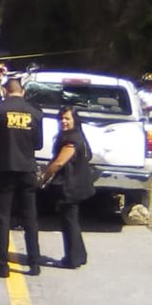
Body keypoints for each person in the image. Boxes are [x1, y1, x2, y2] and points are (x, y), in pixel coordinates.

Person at [0, 78, 44, 277]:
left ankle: (1, 265)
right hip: (27, 169)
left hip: (1, 169)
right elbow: (38, 144)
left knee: (1, 218)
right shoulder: (35, 113)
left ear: (4, 91)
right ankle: (34, 263)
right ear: (22, 92)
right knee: (30, 217)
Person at [40, 106, 96, 268]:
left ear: (74, 120)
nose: (63, 122)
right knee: (72, 222)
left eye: (67, 119)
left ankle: (72, 259)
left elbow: (58, 163)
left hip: (70, 187)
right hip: (78, 186)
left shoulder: (71, 139)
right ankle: (80, 255)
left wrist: (44, 178)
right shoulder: (79, 136)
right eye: (61, 118)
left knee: (69, 223)